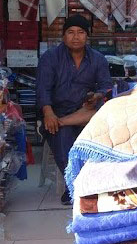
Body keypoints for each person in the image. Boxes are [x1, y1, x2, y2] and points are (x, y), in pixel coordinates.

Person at [36, 14, 112, 205]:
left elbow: (105, 86)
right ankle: (76, 186)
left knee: (103, 127)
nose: (75, 37)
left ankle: (85, 185)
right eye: (70, 32)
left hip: (85, 111)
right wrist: (48, 113)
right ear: (63, 36)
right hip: (57, 112)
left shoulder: (98, 59)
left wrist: (96, 96)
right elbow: (42, 88)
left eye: (80, 32)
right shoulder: (50, 58)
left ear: (87, 36)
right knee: (63, 138)